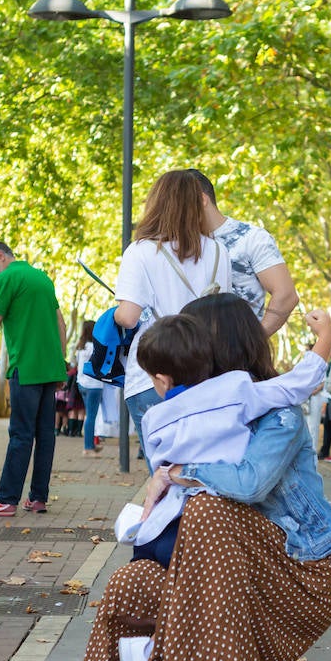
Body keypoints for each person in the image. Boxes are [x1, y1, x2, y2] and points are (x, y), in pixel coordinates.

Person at [76, 295, 331, 661]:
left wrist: (182, 474)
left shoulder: (272, 411)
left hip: (304, 569)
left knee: (208, 508)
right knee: (137, 575)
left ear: (215, 348)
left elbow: (248, 484)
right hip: (244, 563)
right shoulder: (199, 414)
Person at [121, 310, 331, 573]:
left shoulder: (153, 419)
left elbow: (160, 469)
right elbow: (298, 383)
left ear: (162, 381)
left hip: (166, 522)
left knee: (142, 570)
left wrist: (169, 474)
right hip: (214, 520)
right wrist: (325, 337)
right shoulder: (237, 390)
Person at [112, 171, 231, 455]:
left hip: (153, 375)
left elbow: (128, 317)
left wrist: (114, 314)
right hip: (207, 373)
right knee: (201, 469)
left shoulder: (140, 252)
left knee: (165, 474)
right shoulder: (218, 251)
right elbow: (223, 311)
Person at [0, 241, 68, 516]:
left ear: (0, 256)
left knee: (20, 434)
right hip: (48, 369)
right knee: (45, 435)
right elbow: (61, 323)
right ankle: (38, 498)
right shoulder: (42, 278)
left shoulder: (7, 278)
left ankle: (6, 500)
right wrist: (60, 364)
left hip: (26, 368)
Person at [186, 169, 298, 337]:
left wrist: (254, 341)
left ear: (202, 199)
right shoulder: (173, 245)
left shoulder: (251, 237)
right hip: (187, 354)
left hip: (238, 357)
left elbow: (286, 295)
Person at [74, 321, 106, 456]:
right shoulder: (94, 347)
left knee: (89, 415)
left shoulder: (80, 347)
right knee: (91, 416)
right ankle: (88, 448)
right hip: (94, 385)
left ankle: (91, 445)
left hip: (82, 383)